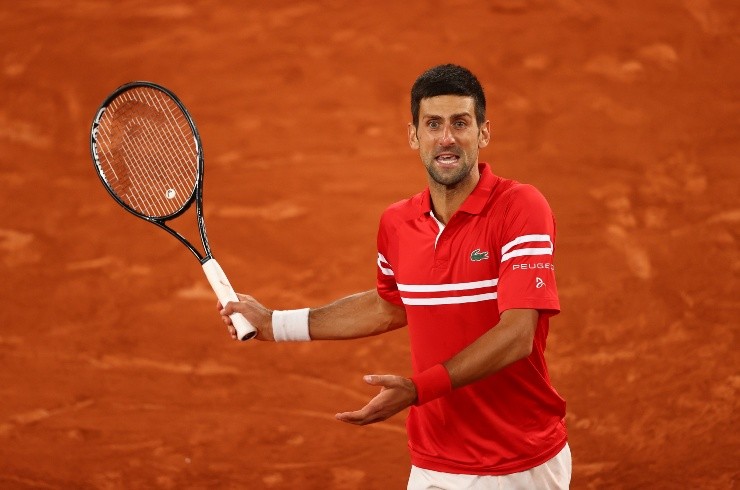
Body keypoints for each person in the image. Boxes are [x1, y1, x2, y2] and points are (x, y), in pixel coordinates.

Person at [219, 64, 571, 489]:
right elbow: (391, 304)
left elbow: (517, 334)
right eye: (433, 124)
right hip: (433, 463)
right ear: (413, 135)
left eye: (460, 123)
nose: (446, 138)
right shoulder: (398, 223)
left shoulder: (520, 208)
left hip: (519, 466)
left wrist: (417, 389)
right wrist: (277, 323)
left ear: (483, 133)